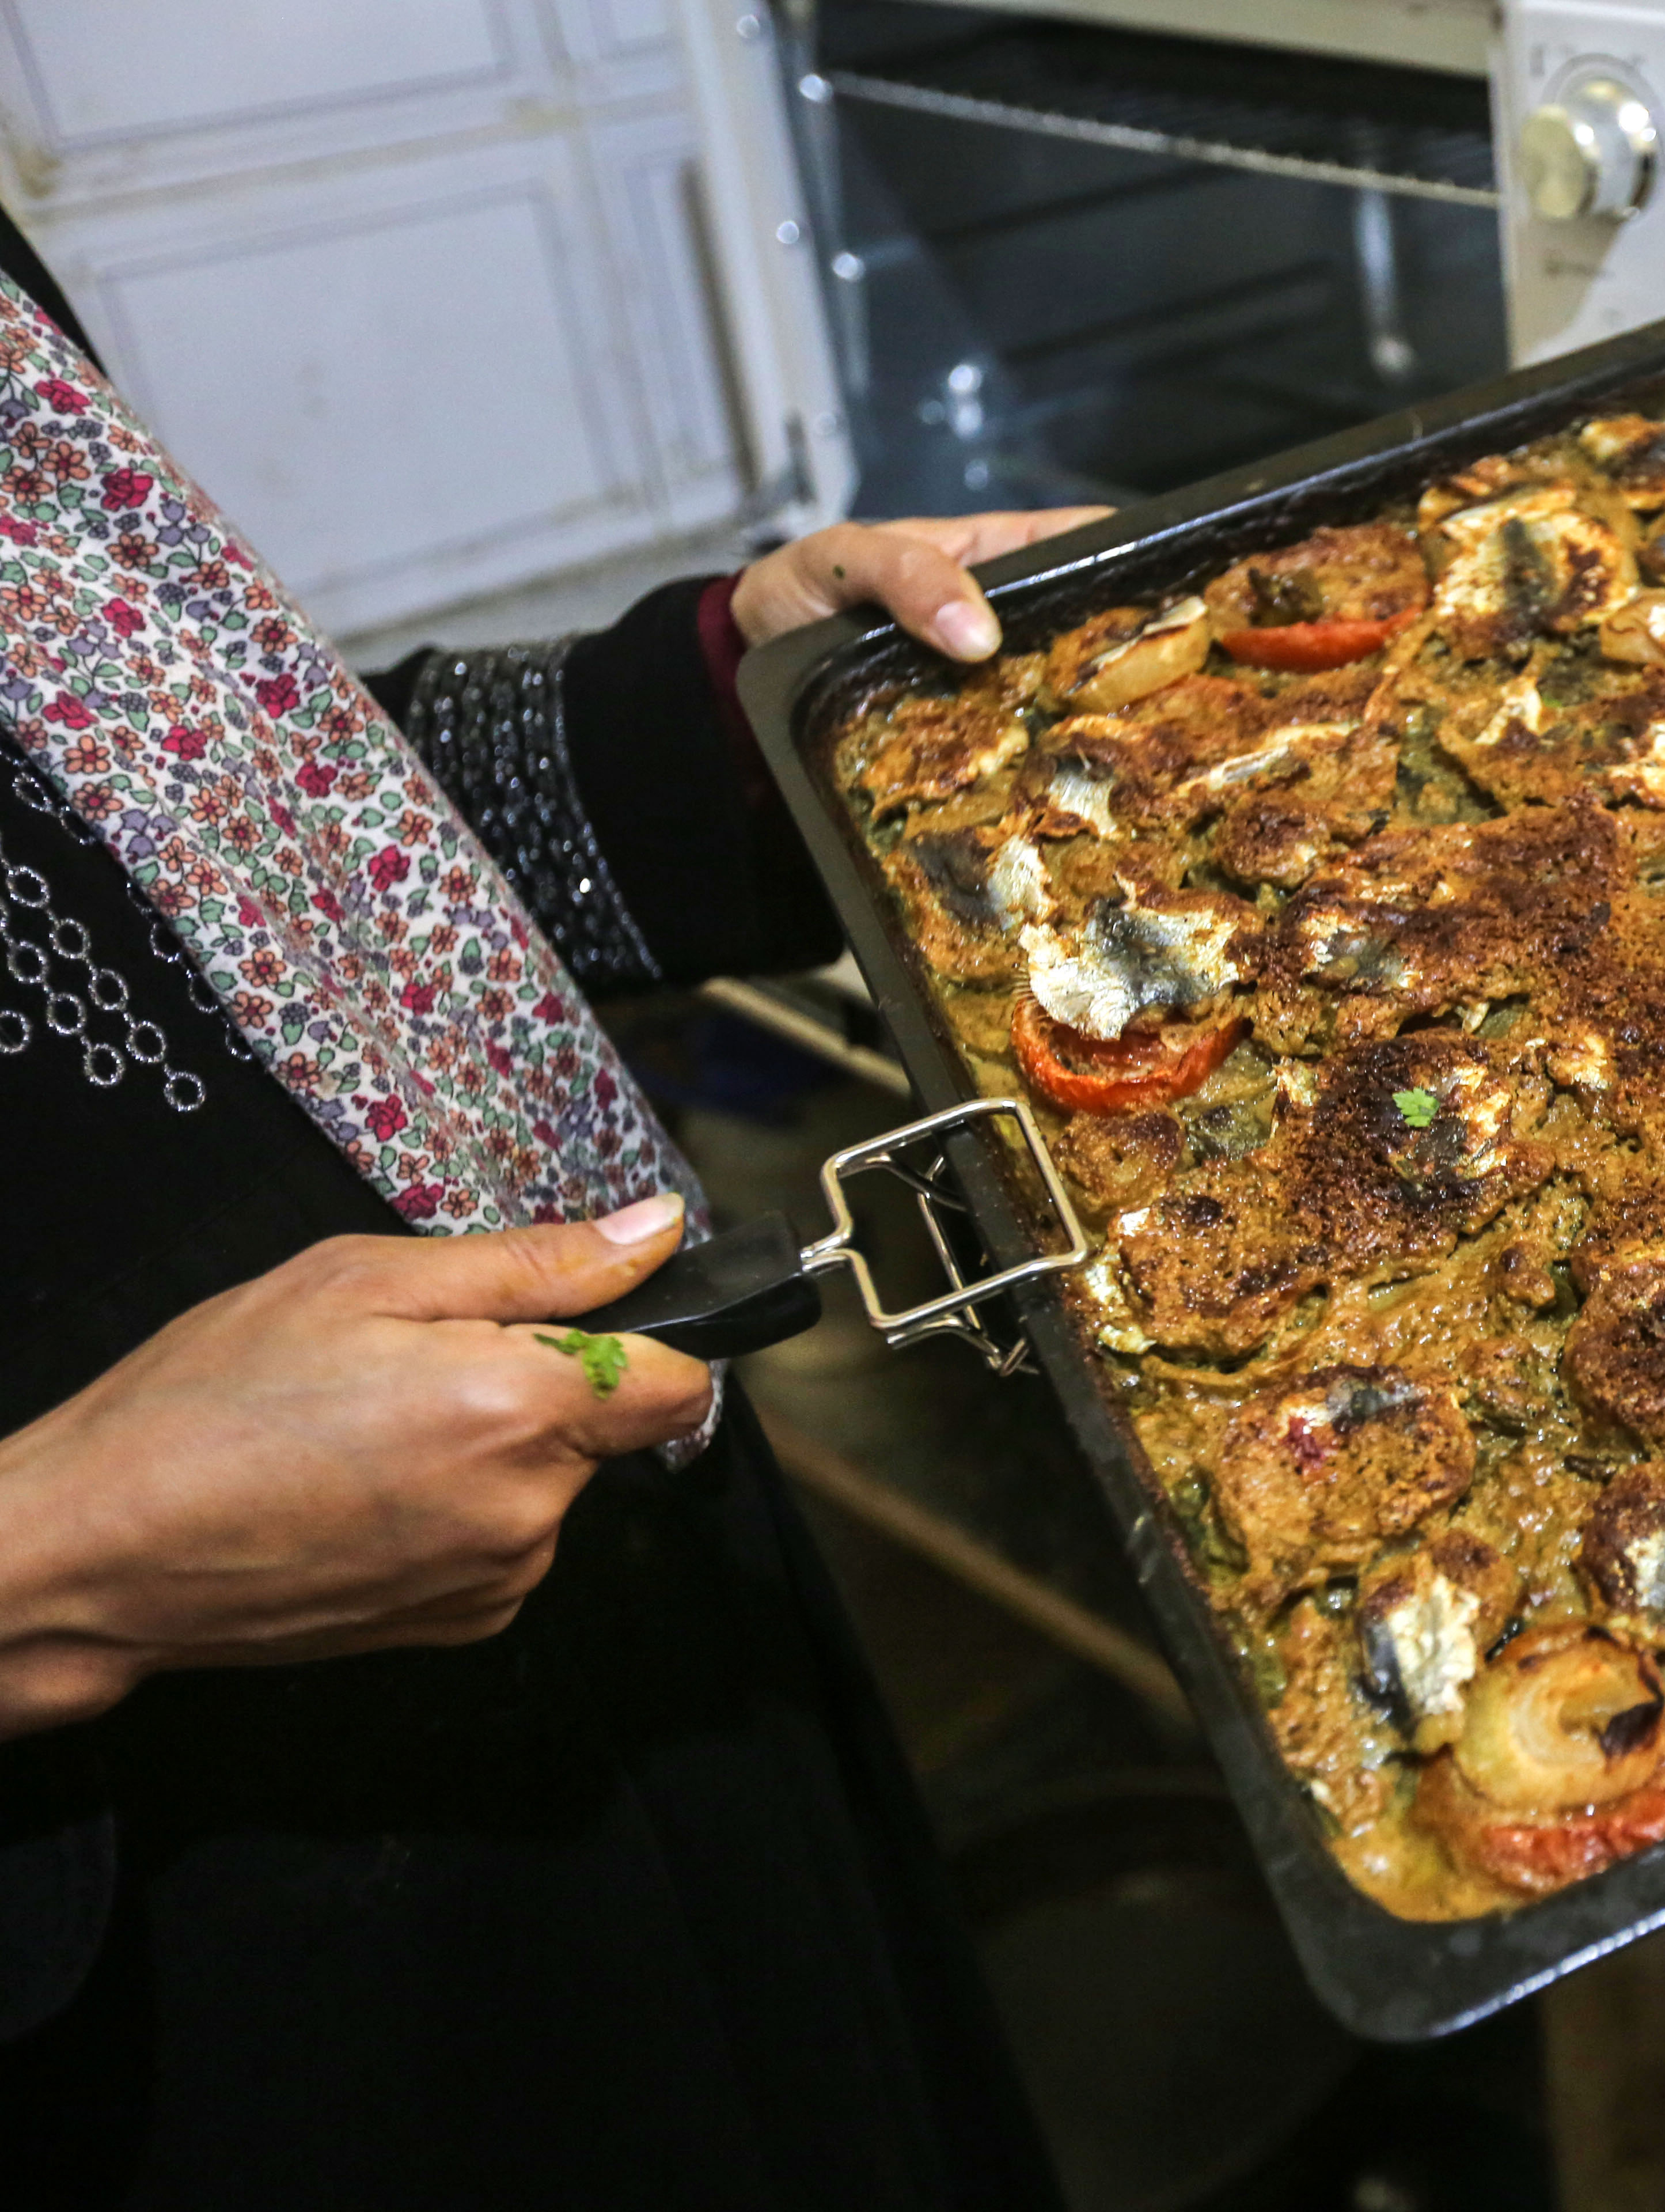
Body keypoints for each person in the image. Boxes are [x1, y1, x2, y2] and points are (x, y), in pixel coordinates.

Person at [0, 212, 1092, 2208]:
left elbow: (195, 808)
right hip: (185, 1953)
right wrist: (56, 1553)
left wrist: (734, 727)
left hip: (617, 1603)